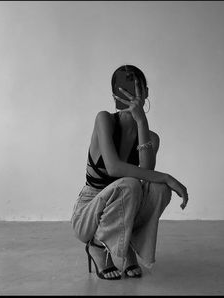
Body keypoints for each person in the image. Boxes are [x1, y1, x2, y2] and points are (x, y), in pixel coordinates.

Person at [71, 65, 189, 280]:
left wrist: (141, 121)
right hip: (89, 213)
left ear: (146, 92)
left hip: (125, 209)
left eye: (138, 87)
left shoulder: (152, 138)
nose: (133, 94)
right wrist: (168, 176)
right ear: (115, 94)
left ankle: (127, 246)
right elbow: (115, 168)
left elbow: (146, 174)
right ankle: (98, 246)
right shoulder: (104, 119)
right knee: (131, 183)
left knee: (159, 189)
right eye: (125, 88)